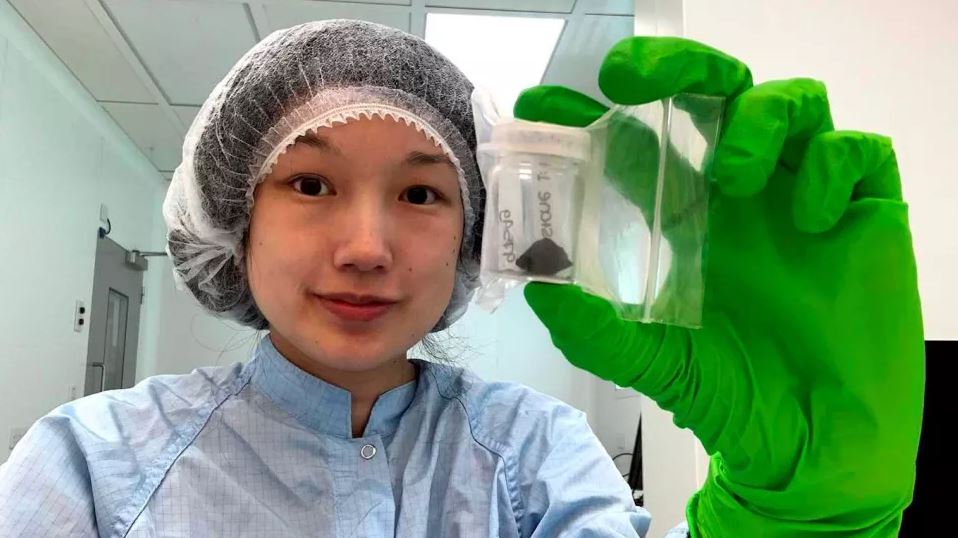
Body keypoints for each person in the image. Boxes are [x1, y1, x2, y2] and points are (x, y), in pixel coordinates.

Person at [0, 19, 923, 538]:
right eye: (311, 182)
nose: (367, 245)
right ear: (235, 220)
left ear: (478, 234)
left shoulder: (539, 456)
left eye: (421, 193)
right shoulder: (93, 466)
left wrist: (803, 508)